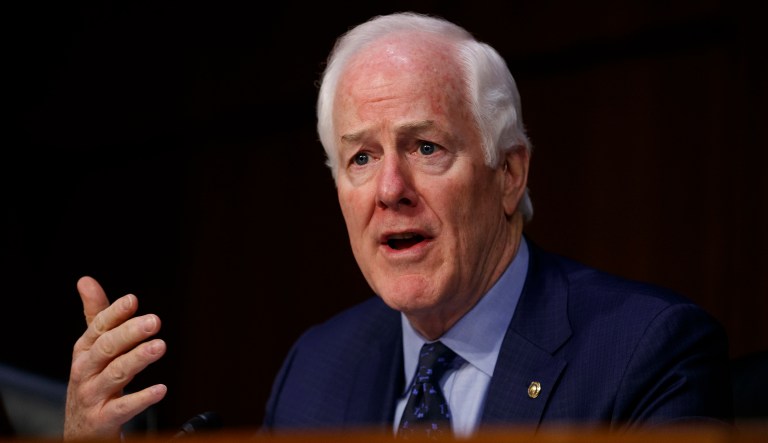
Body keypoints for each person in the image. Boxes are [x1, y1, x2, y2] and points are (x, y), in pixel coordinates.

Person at [63, 11, 734, 440]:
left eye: (426, 147)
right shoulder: (316, 370)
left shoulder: (646, 353)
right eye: (361, 156)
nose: (390, 189)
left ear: (510, 174)